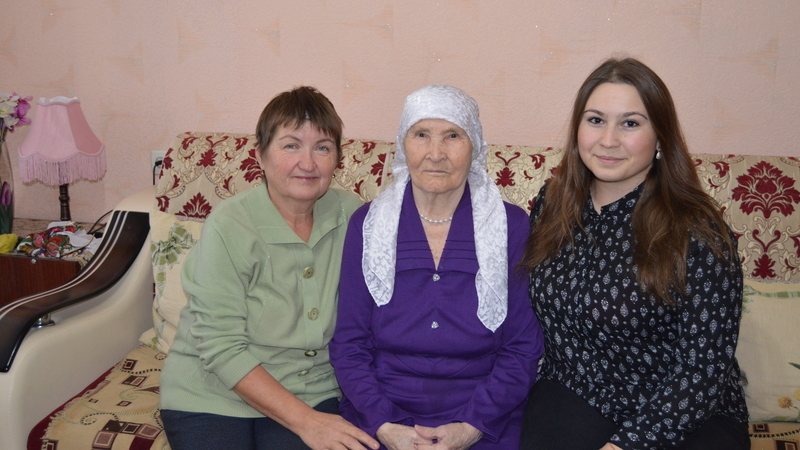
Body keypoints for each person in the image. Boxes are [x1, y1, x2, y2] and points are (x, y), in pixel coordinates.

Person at [519, 57, 750, 450]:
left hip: (684, 408)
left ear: (660, 137)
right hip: (577, 390)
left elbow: (703, 370)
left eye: (630, 123)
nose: (608, 140)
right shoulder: (551, 204)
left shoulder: (698, 231)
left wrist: (626, 445)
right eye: (595, 120)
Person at [159, 86, 379, 450]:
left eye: (322, 148)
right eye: (291, 145)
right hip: (210, 393)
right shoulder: (230, 225)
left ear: (337, 159)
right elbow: (220, 346)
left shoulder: (352, 216)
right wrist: (308, 423)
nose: (307, 163)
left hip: (312, 391)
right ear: (260, 155)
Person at [330, 84, 544, 450]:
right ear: (403, 144)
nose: (436, 153)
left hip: (483, 417)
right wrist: (385, 425)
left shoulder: (510, 226)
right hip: (379, 414)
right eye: (421, 135)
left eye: (453, 136)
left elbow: (522, 348)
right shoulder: (368, 224)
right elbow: (349, 344)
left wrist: (470, 427)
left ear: (474, 146)